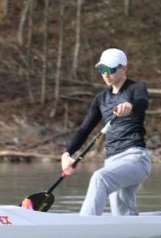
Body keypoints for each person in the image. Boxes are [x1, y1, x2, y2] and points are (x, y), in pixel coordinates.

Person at [61, 48, 153, 216]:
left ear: (124, 68)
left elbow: (143, 102)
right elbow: (84, 129)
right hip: (112, 162)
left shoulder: (136, 88)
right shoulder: (101, 99)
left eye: (110, 70)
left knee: (99, 177)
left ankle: (84, 228)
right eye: (102, 70)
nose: (105, 74)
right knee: (123, 217)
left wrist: (131, 106)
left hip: (136, 159)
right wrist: (67, 153)